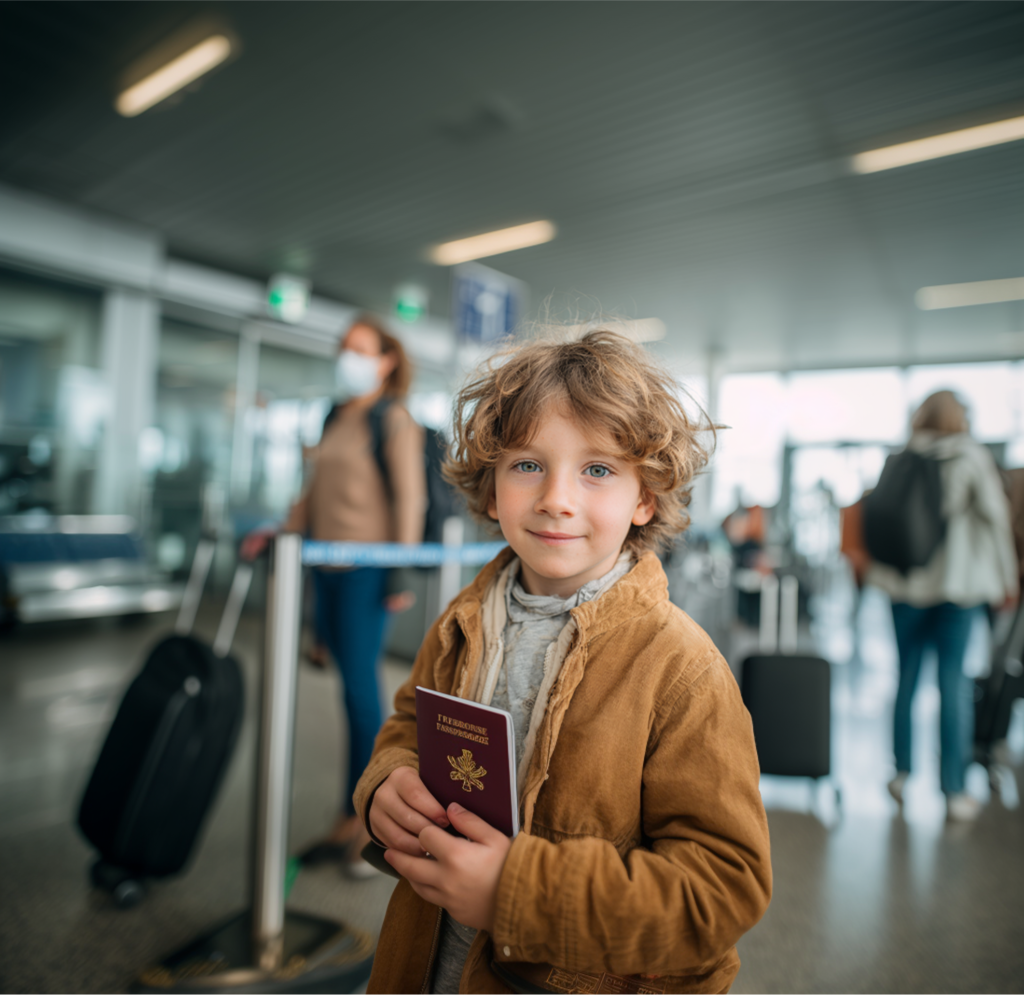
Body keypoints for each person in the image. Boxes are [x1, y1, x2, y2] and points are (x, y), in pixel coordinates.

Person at [355, 330, 772, 994]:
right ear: (491, 488)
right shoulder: (462, 619)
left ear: (646, 498)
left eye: (598, 469)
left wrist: (516, 893)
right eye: (526, 464)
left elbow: (719, 890)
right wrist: (386, 782)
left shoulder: (683, 669)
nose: (556, 497)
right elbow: (407, 721)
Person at [244, 314, 425, 873]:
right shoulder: (333, 415)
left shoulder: (391, 419)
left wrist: (398, 571)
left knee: (359, 690)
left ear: (387, 360)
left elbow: (410, 500)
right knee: (344, 687)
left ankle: (365, 819)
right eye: (344, 347)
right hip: (320, 563)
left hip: (367, 569)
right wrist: (283, 529)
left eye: (361, 348)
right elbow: (311, 489)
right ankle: (353, 812)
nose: (348, 356)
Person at [869, 390, 1018, 822]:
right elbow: (995, 522)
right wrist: (1007, 579)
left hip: (903, 588)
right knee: (952, 682)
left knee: (907, 680)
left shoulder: (900, 458)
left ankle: (900, 773)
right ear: (961, 419)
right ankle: (953, 791)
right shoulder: (970, 458)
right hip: (957, 590)